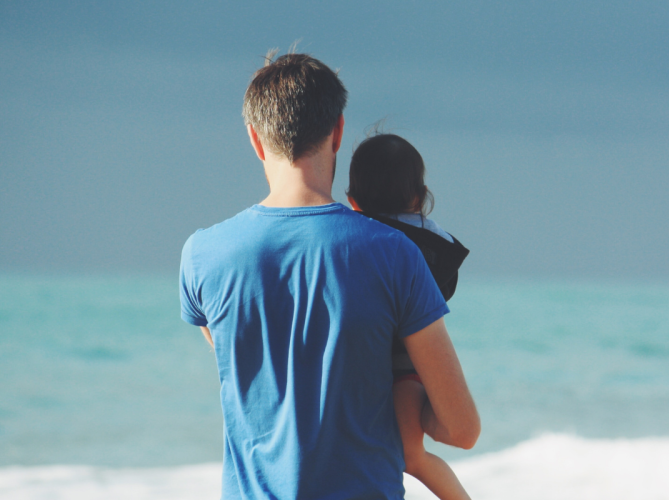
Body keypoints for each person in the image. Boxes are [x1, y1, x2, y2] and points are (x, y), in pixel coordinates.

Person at [178, 51, 480, 500]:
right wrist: (414, 410)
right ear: (337, 132)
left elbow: (245, 364)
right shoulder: (395, 253)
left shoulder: (201, 256)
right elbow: (462, 429)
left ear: (255, 139)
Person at [347, 133, 471, 500]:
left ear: (353, 200)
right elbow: (445, 289)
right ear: (420, 196)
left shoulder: (353, 237)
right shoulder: (431, 241)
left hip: (378, 363)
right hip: (412, 366)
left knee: (407, 455)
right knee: (411, 457)